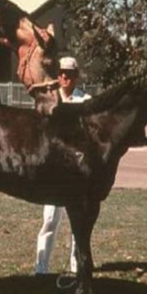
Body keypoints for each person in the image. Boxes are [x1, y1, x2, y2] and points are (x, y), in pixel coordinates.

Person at [35, 56, 91, 275]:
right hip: (53, 168)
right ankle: (41, 269)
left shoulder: (85, 100)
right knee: (50, 219)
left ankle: (76, 267)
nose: (64, 77)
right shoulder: (49, 99)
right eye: (61, 73)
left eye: (69, 74)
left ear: (76, 76)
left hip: (76, 170)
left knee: (78, 220)